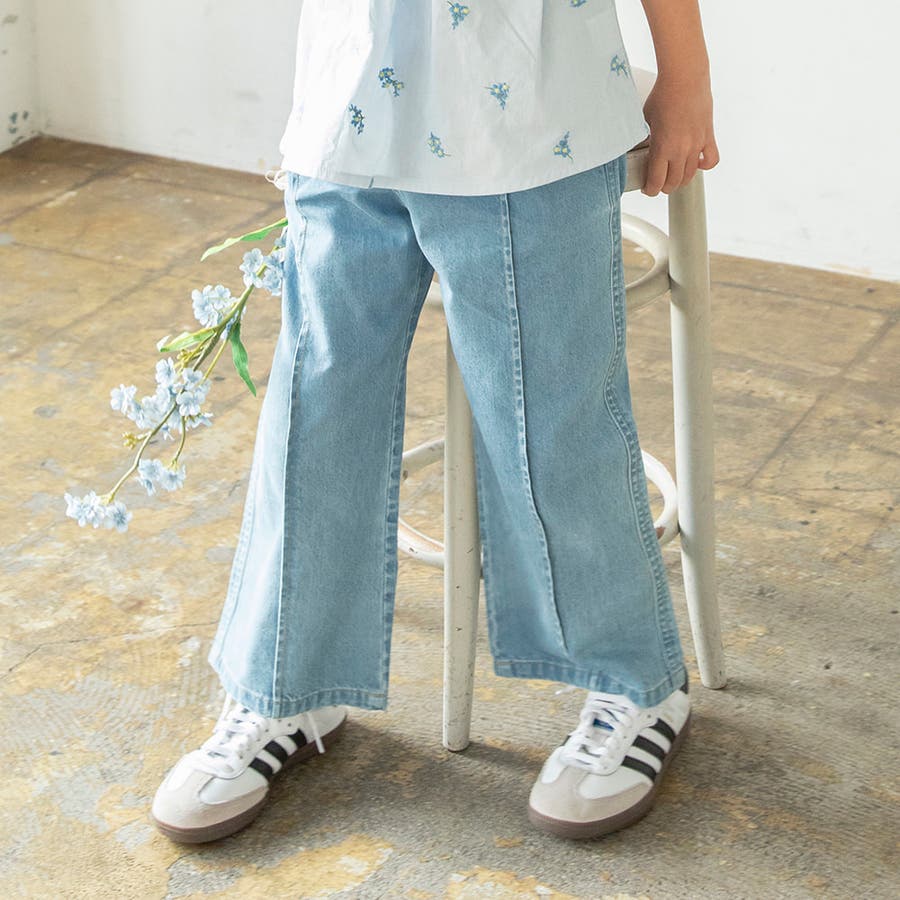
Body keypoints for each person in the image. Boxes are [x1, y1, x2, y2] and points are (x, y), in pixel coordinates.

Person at [151, 0, 719, 844]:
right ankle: (288, 684)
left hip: (531, 114)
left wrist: (687, 77)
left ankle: (635, 682)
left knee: (551, 418)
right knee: (317, 412)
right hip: (351, 101)